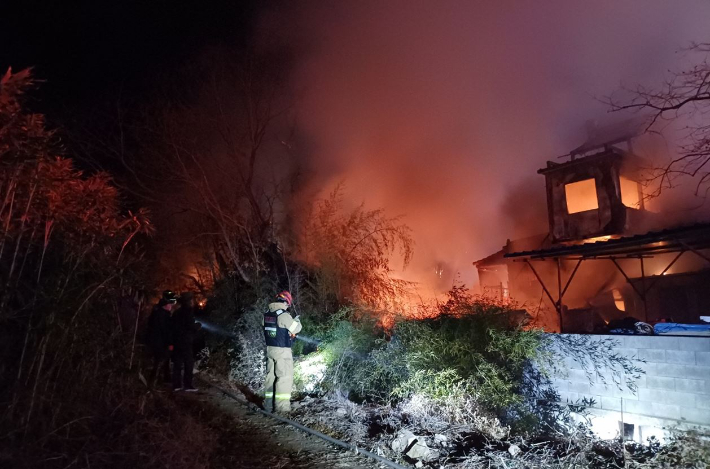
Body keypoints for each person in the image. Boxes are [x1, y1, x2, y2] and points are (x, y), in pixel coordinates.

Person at [262, 291, 301, 413]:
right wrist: (296, 321)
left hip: (270, 351)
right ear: (286, 302)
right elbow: (296, 328)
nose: (287, 307)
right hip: (282, 352)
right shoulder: (283, 315)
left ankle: (268, 406)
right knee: (284, 378)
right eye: (287, 304)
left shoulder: (267, 314)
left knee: (271, 378)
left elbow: (273, 330)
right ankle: (282, 410)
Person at [146, 290, 177, 387]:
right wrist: (170, 343)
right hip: (161, 342)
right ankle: (153, 381)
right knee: (160, 361)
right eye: (170, 305)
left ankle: (164, 378)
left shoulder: (156, 312)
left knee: (161, 360)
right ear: (167, 305)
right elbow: (166, 331)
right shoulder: (164, 316)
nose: (171, 307)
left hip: (155, 341)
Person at [171, 292, 198, 392]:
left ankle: (176, 385)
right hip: (185, 342)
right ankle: (188, 385)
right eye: (191, 300)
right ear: (188, 302)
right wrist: (197, 326)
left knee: (177, 363)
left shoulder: (177, 313)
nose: (192, 302)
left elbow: (173, 327)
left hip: (177, 341)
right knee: (188, 363)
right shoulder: (188, 312)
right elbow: (190, 326)